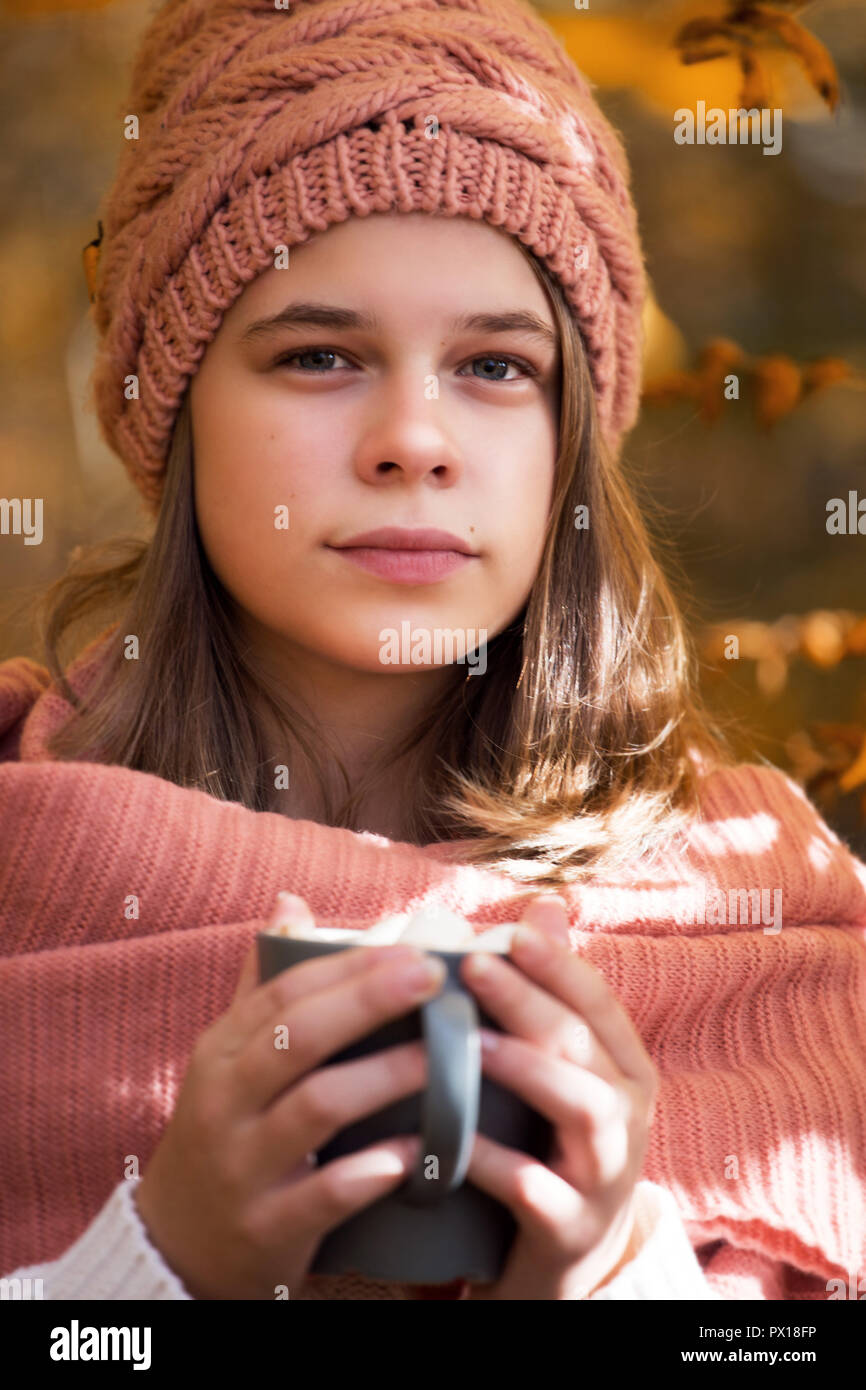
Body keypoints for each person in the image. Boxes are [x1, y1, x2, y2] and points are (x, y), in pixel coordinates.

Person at [1, 0, 864, 1302]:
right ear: (177, 414)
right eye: (318, 353)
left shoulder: (779, 917)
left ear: (573, 434)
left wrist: (610, 1274)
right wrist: (161, 1263)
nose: (415, 436)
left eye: (496, 367)